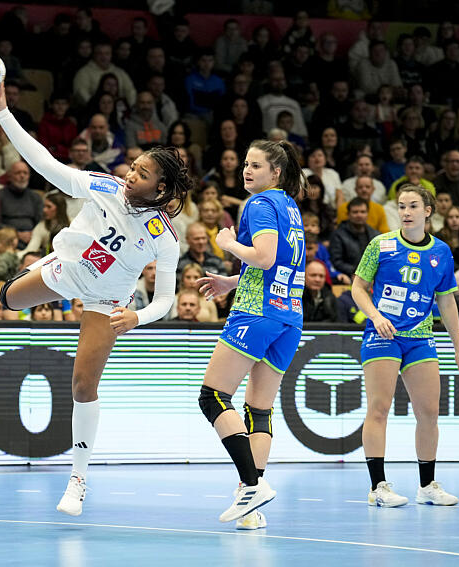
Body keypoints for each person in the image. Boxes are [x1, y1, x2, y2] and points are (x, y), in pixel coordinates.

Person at [0, 83, 190, 517]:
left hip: (106, 300)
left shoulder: (165, 239)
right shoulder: (102, 186)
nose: (131, 175)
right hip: (66, 270)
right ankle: (53, 255)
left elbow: (166, 299)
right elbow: (43, 162)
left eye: (142, 174)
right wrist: (2, 113)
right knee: (9, 300)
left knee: (82, 385)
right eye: (133, 168)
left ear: (161, 187)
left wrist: (138, 316)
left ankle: (78, 477)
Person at [195, 139, 307, 528]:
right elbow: (278, 264)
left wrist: (227, 243)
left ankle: (250, 485)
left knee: (212, 397)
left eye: (256, 166)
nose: (247, 170)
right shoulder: (290, 207)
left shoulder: (259, 205)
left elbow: (264, 257)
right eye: (246, 164)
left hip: (256, 314)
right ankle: (251, 507)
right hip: (289, 317)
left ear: (276, 172)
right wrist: (231, 280)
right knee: (258, 410)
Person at [351, 185, 459, 508]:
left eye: (413, 206)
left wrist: (458, 349)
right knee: (379, 408)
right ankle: (378, 486)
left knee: (430, 412)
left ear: (427, 211)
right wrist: (375, 316)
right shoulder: (381, 245)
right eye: (402, 206)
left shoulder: (442, 252)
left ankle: (427, 486)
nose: (406, 212)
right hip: (383, 334)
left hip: (420, 337)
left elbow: (446, 304)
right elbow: (358, 288)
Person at [330, 198, 380, 279]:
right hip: (347, 277)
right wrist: (357, 272)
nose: (359, 215)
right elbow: (336, 261)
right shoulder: (338, 235)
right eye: (355, 212)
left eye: (363, 212)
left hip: (373, 278)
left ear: (367, 214)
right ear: (348, 214)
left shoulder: (376, 235)